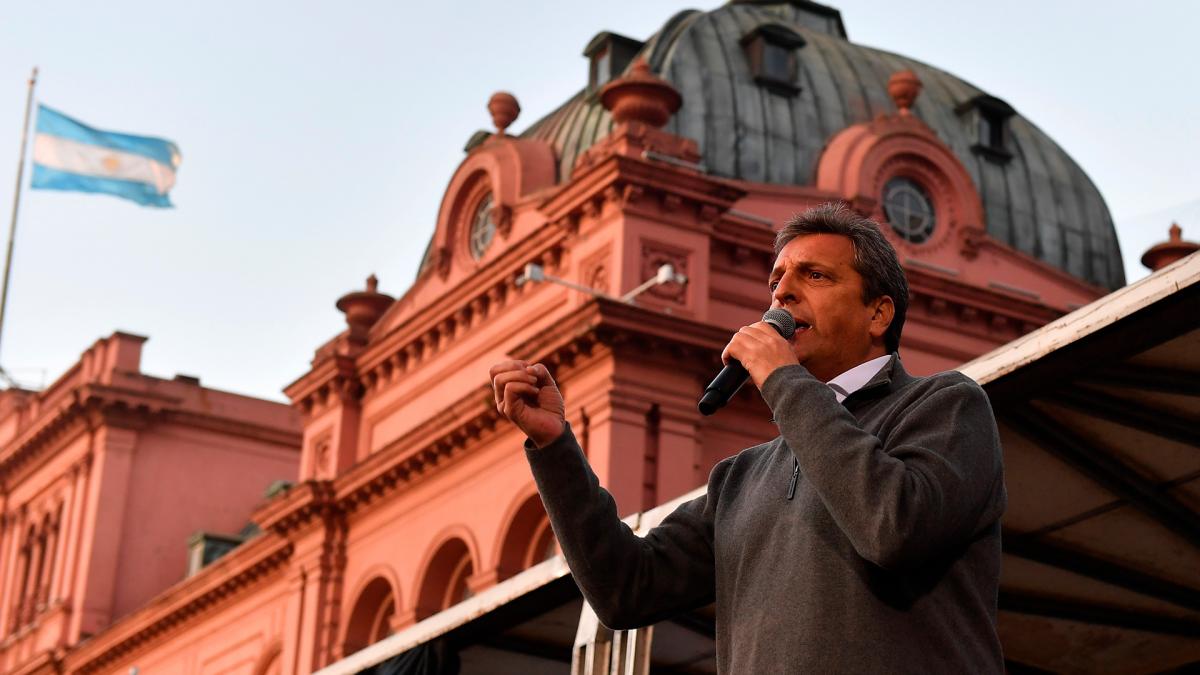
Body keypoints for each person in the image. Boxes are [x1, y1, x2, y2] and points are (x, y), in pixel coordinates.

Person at [489, 203, 1006, 673]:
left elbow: (894, 527)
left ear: (878, 314)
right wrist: (554, 448)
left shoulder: (945, 406)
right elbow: (624, 589)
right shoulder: (742, 478)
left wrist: (783, 380)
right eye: (777, 280)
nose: (783, 292)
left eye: (815, 275)